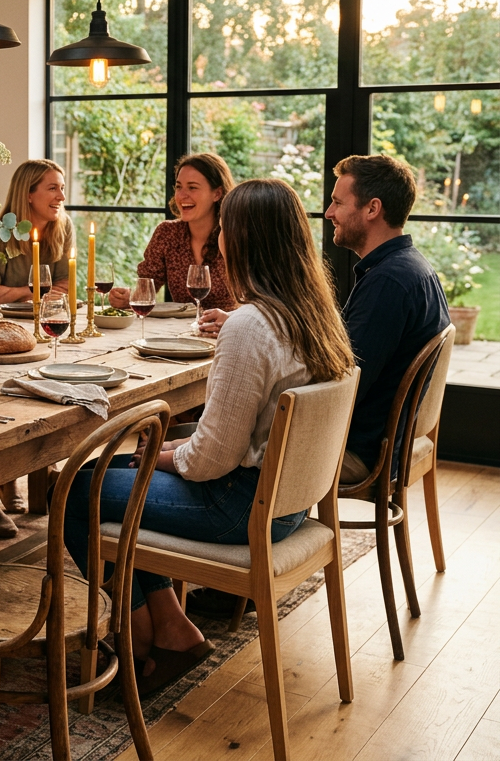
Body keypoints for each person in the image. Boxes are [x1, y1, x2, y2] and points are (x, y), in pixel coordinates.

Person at [63, 179, 356, 695]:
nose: (218, 236)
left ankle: (134, 643)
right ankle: (171, 627)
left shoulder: (250, 325)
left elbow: (211, 462)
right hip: (288, 503)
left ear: (239, 240)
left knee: (77, 490)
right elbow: (232, 439)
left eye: (224, 228)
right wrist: (167, 452)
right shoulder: (313, 314)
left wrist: (164, 457)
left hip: (240, 506)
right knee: (125, 473)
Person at [325, 154, 450, 483]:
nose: (329, 213)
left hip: (360, 453)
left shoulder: (388, 283)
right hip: (386, 444)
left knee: (237, 445)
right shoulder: (409, 267)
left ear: (371, 209)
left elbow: (343, 382)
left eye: (338, 202)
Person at [0, 159, 73, 537]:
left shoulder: (62, 228)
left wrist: (18, 292)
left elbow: (68, 288)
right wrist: (40, 291)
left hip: (41, 333)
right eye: (53, 188)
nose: (61, 196)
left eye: (61, 188)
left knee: (45, 397)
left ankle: (30, 472)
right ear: (28, 193)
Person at [110, 153, 237, 336]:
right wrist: (128, 297)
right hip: (180, 336)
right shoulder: (167, 233)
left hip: (227, 334)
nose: (182, 195)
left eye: (192, 187)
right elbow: (147, 287)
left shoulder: (234, 235)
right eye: (179, 187)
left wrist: (231, 319)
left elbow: (259, 303)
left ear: (217, 193)